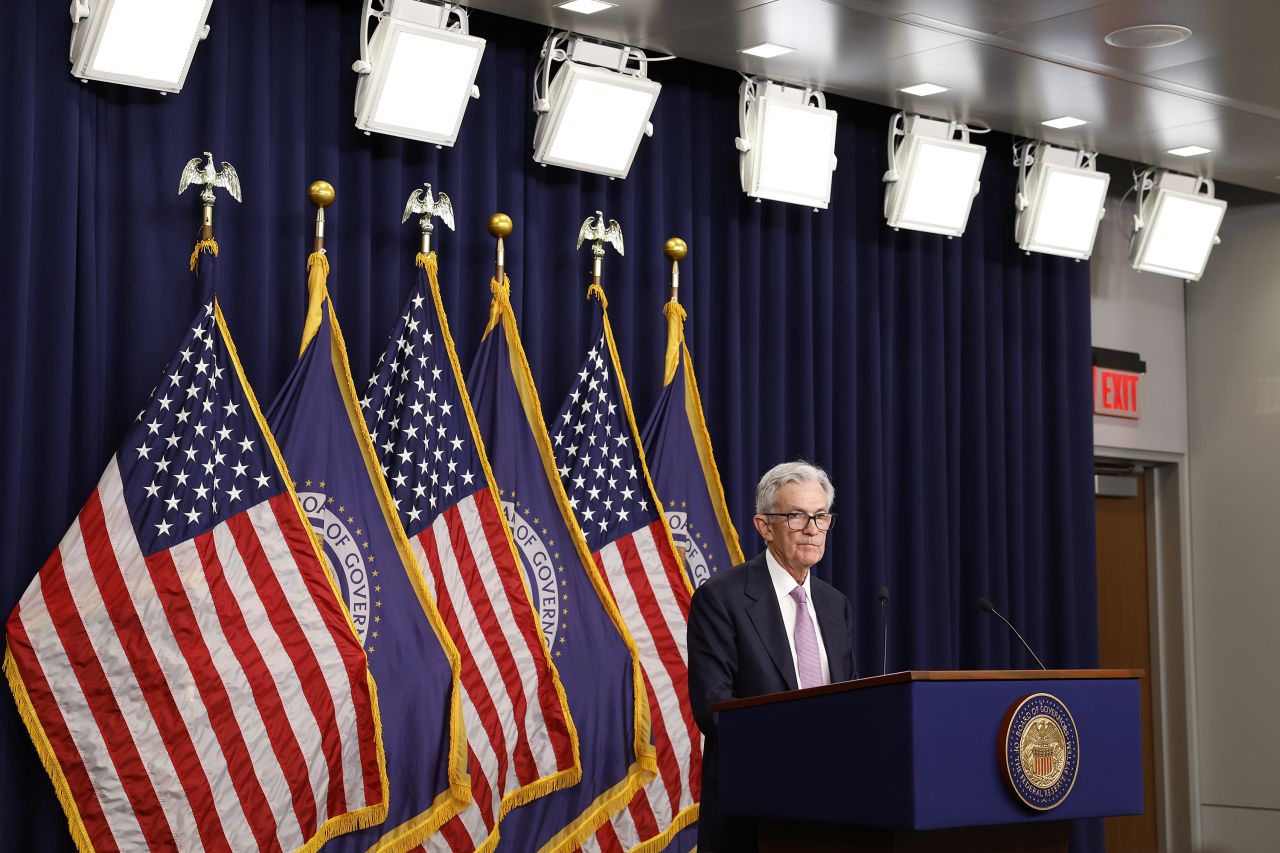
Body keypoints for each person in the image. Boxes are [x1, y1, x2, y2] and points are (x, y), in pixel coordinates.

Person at [686, 461, 857, 852]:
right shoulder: (721, 598)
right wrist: (797, 754)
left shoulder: (835, 605)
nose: (812, 529)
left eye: (820, 516)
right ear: (764, 526)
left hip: (836, 806)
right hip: (754, 807)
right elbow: (715, 710)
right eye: (796, 516)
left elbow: (849, 700)